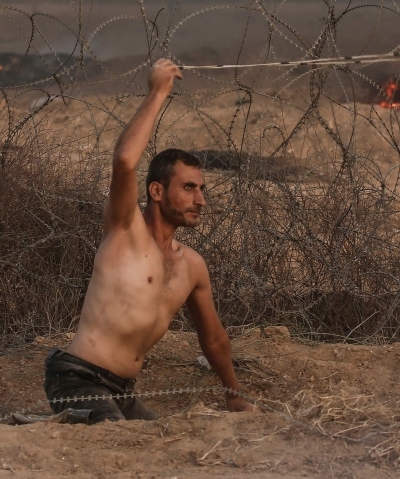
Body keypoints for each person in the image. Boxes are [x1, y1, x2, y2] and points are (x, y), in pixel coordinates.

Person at [44, 59, 255, 423]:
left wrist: (234, 396)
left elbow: (215, 340)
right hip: (77, 378)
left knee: (158, 436)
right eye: (189, 188)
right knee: (116, 437)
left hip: (123, 392)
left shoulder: (192, 266)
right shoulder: (124, 229)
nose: (200, 200)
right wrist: (158, 92)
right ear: (157, 191)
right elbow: (125, 161)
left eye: (202, 189)